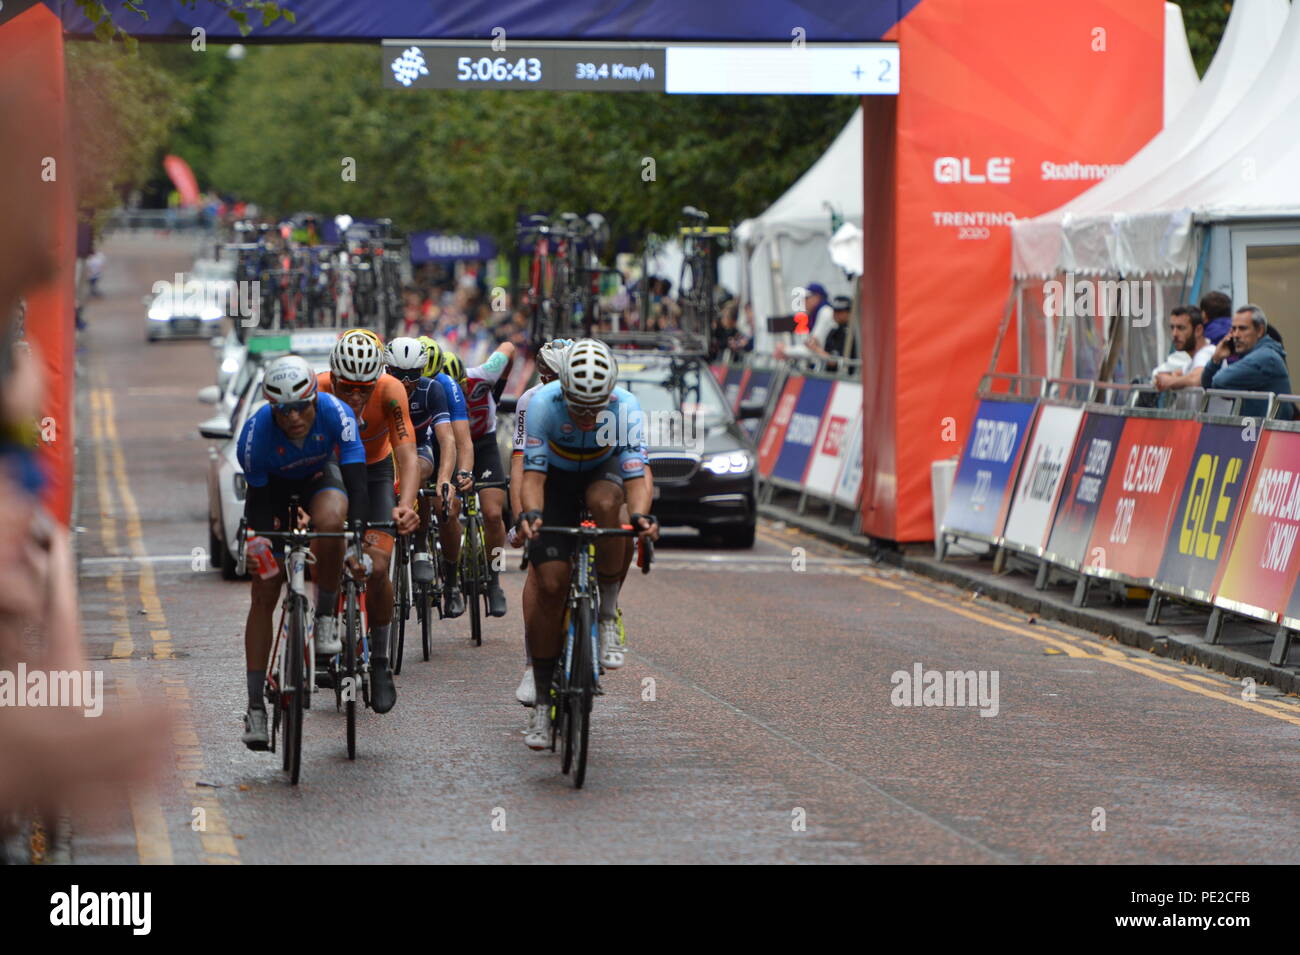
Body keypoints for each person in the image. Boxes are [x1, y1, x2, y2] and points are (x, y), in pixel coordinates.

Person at [517, 339, 659, 750]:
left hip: (603, 470)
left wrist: (641, 517)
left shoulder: (625, 407)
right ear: (564, 391)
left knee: (607, 506)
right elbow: (533, 477)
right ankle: (543, 700)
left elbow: (636, 474)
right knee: (549, 585)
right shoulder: (544, 403)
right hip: (556, 481)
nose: (584, 416)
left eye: (593, 406)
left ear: (609, 394)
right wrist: (530, 514)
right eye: (577, 406)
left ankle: (608, 613)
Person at [236, 355, 370, 748]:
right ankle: (256, 706)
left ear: (314, 398)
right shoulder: (255, 435)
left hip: (318, 477)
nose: (294, 418)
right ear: (271, 407)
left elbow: (357, 481)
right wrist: (260, 547)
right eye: (283, 410)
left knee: (331, 525)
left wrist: (358, 537)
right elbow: (258, 507)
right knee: (264, 589)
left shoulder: (337, 413)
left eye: (301, 407)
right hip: (271, 494)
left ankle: (326, 618)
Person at [315, 329, 421, 713]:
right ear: (333, 378)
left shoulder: (392, 391)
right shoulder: (317, 389)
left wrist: (406, 505)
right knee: (324, 543)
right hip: (329, 468)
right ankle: (325, 617)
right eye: (347, 387)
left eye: (365, 387)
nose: (356, 396)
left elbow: (407, 456)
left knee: (377, 569)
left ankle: (378, 662)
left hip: (375, 472)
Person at [508, 339, 572, 710]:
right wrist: (521, 519)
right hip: (545, 477)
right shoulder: (531, 401)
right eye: (548, 377)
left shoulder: (601, 397)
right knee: (539, 565)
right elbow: (520, 464)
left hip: (584, 475)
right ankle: (534, 665)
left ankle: (605, 602)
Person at [382, 337, 457, 586]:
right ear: (387, 370)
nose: (405, 383)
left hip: (419, 446)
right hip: (387, 446)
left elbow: (446, 439)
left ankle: (421, 543)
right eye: (398, 375)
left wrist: (445, 478)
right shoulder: (379, 388)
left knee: (421, 472)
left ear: (422, 371)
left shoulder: (431, 389)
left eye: (413, 375)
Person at [454, 339, 516, 617]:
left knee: (493, 515)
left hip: (484, 444)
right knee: (448, 510)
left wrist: (499, 385)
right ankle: (451, 578)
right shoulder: (435, 391)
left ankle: (494, 579)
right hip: (453, 448)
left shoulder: (483, 375)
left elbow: (509, 347)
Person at [418, 335, 474, 615]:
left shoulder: (447, 386)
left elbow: (462, 441)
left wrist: (462, 473)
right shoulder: (399, 382)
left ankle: (452, 581)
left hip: (442, 449)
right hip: (414, 448)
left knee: (447, 508)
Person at [1200, 305, 1294, 419]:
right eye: (1233, 329)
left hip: (1268, 434)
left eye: (1242, 328)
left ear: (1260, 331)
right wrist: (1216, 359)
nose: (1236, 335)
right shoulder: (1249, 356)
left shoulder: (1266, 357)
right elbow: (1208, 386)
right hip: (1251, 432)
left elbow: (1219, 381)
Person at [1154, 305, 1213, 394]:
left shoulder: (1207, 353)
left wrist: (1169, 381)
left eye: (1181, 328)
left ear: (1198, 330)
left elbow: (1197, 379)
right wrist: (1165, 379)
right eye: (1172, 328)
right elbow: (1163, 376)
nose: (1174, 334)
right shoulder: (1191, 363)